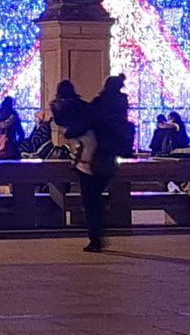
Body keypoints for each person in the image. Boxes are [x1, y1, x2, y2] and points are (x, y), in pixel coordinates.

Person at [81, 74, 134, 252]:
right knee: (97, 195)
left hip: (96, 155)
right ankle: (99, 224)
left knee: (91, 199)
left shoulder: (101, 103)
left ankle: (95, 237)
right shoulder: (121, 105)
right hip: (112, 157)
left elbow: (87, 121)